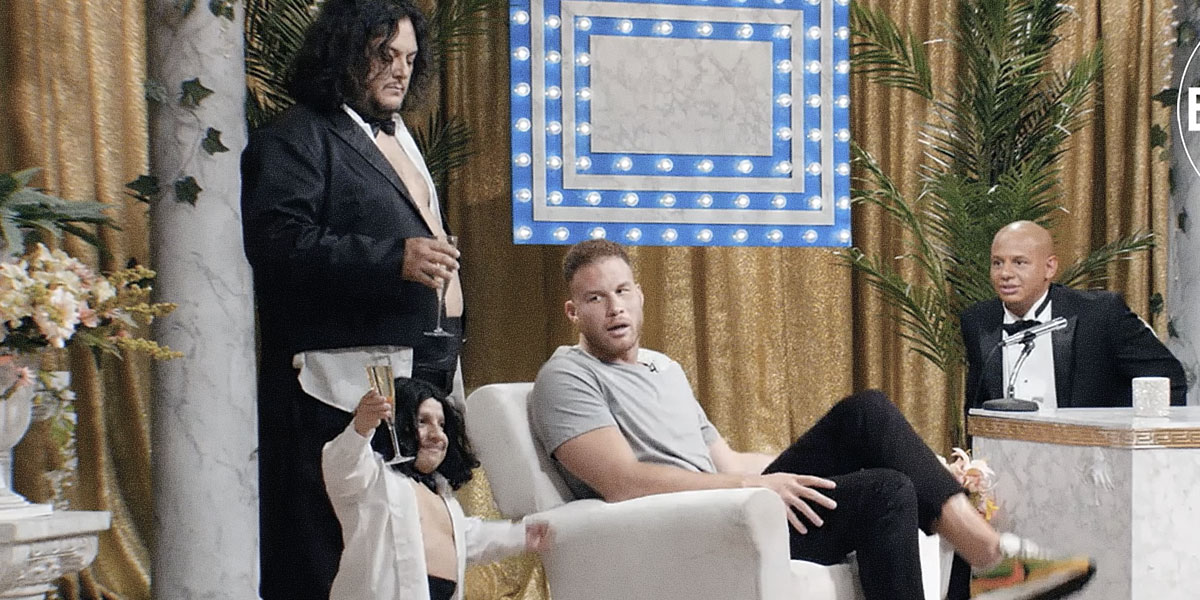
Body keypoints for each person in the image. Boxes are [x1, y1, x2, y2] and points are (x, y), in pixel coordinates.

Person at [529, 239, 1096, 600]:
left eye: (622, 290)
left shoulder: (664, 368)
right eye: (596, 298)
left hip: (737, 504)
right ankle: (992, 560)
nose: (615, 307)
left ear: (641, 294)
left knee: (891, 482)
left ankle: (987, 557)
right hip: (693, 525)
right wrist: (754, 487)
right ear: (573, 311)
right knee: (869, 429)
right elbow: (623, 482)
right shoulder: (567, 376)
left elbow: (726, 458)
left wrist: (911, 467)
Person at [240, 0, 464, 596]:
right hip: (329, 391)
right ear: (343, 53)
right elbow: (278, 242)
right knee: (326, 561)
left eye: (410, 58)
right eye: (384, 55)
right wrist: (394, 258)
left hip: (406, 375)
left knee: (394, 560)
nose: (401, 70)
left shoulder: (401, 137)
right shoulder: (296, 136)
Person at [323, 378, 551, 600]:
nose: (437, 435)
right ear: (396, 425)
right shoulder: (373, 476)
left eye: (441, 425)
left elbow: (467, 538)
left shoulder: (442, 492)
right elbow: (342, 464)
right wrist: (361, 427)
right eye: (422, 421)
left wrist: (519, 535)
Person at [962, 221, 1186, 411]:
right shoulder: (978, 320)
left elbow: (1168, 379)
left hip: (1089, 446)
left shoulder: (1100, 314)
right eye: (997, 263)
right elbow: (977, 405)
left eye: (1019, 262)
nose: (1005, 273)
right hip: (1005, 448)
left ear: (1050, 267)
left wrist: (1140, 439)